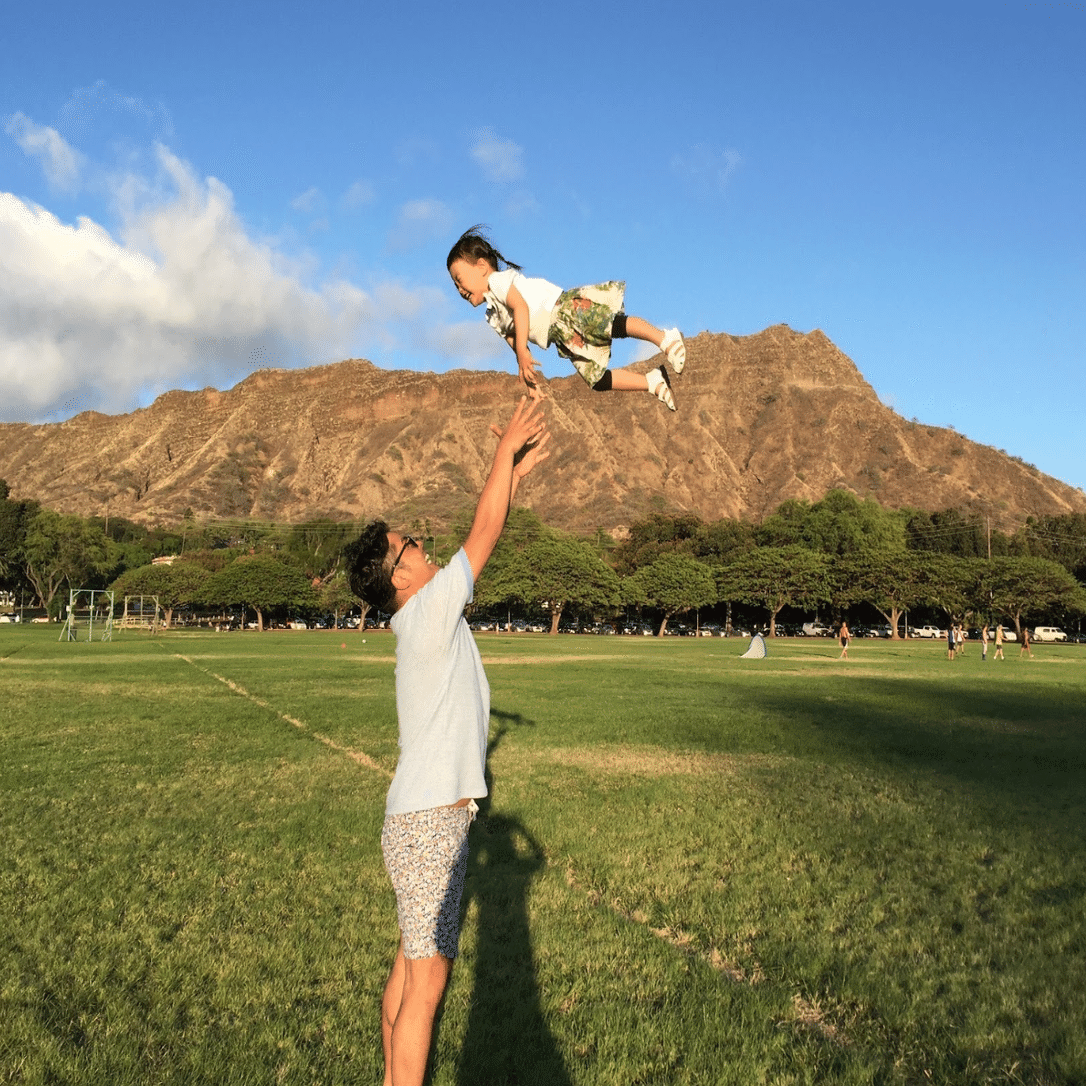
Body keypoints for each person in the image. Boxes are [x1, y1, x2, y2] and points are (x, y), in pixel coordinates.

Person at [344, 398, 551, 1086]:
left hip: (417, 820)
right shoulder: (430, 610)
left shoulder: (421, 617)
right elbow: (484, 530)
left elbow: (492, 518)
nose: (423, 546)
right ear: (399, 575)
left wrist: (511, 473)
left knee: (411, 967)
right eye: (411, 544)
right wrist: (501, 456)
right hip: (432, 822)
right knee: (427, 986)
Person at [446, 225, 685, 411]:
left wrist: (522, 352)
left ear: (481, 267)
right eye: (455, 285)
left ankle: (664, 338)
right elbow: (516, 343)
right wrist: (530, 381)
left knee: (612, 325)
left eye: (459, 279)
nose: (459, 289)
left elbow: (520, 307)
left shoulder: (497, 282)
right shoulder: (492, 315)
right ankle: (652, 381)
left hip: (562, 311)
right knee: (598, 380)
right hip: (560, 336)